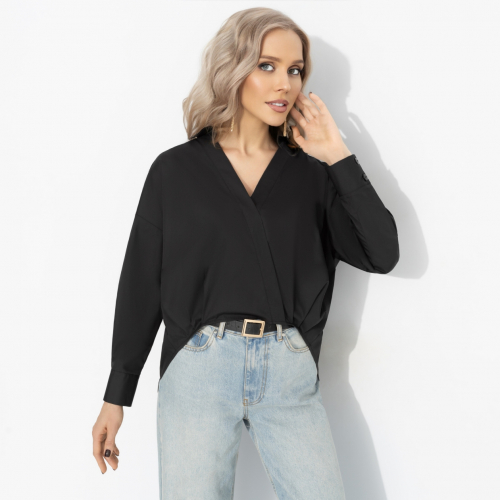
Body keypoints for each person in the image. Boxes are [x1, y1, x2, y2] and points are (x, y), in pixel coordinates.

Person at [92, 7, 399, 499]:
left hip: (288, 370)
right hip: (198, 368)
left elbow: (382, 254)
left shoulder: (313, 175)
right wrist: (117, 394)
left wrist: (337, 156)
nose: (285, 84)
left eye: (295, 70)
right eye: (267, 65)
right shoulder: (175, 171)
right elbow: (140, 285)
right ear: (232, 68)